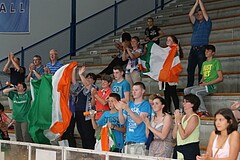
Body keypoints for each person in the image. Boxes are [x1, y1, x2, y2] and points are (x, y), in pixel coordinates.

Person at [63, 66, 97, 149]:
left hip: (87, 114)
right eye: (87, 77)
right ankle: (85, 150)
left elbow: (88, 85)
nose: (89, 79)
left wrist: (80, 74)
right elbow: (74, 83)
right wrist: (73, 70)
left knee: (88, 133)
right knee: (81, 132)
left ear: (94, 80)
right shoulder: (81, 87)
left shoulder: (94, 88)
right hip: (78, 112)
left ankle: (91, 150)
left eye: (91, 78)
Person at [184, 45, 223, 116]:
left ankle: (203, 111)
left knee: (195, 91)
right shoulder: (204, 63)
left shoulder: (216, 62)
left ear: (213, 53)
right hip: (205, 85)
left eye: (208, 51)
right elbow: (203, 76)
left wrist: (207, 83)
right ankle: (191, 109)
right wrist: (201, 83)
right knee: (186, 90)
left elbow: (220, 78)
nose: (206, 52)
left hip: (212, 86)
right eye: (205, 51)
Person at [114, 82, 152, 155]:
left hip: (140, 142)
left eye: (136, 90)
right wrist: (120, 110)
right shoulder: (130, 104)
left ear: (143, 91)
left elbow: (139, 121)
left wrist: (128, 109)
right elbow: (122, 121)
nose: (134, 92)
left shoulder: (145, 105)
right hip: (128, 141)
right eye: (133, 90)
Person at [187, 0, 212, 87]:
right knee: (190, 69)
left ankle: (200, 86)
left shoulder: (207, 23)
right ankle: (189, 86)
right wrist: (196, 3)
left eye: (200, 14)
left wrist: (200, 2)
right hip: (193, 49)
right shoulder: (196, 23)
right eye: (198, 14)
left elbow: (204, 11)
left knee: (201, 69)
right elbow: (190, 14)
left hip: (202, 48)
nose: (199, 15)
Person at [172, 94, 201, 160]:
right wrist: (177, 121)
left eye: (186, 102)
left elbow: (184, 136)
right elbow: (174, 136)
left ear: (192, 104)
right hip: (179, 147)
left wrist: (179, 121)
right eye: (183, 101)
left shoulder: (194, 117)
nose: (183, 103)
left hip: (190, 148)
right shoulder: (183, 117)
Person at [162, 35, 183, 113]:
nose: (168, 41)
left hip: (172, 74)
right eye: (167, 39)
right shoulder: (165, 50)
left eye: (170, 40)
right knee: (166, 93)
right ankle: (168, 110)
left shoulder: (175, 49)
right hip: (165, 74)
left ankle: (177, 109)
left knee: (173, 92)